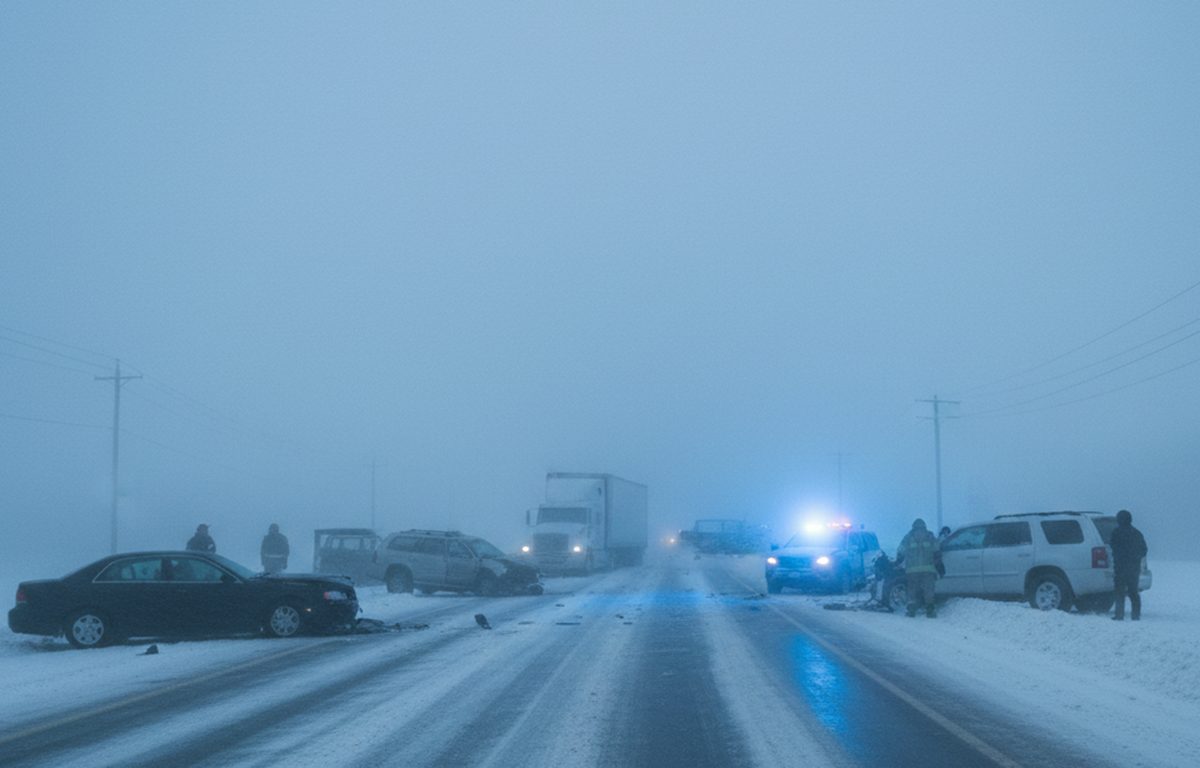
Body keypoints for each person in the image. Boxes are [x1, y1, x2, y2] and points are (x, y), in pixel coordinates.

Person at [1111, 509, 1148, 621]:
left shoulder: (1116, 532)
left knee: (1119, 592)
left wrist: (1119, 556)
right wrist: (1135, 557)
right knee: (1133, 592)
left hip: (1120, 567)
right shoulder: (1136, 533)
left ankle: (1119, 615)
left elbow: (1113, 547)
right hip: (1133, 568)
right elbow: (1144, 550)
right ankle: (1135, 616)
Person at [898, 518, 940, 618]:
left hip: (912, 571)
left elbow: (900, 551)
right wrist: (938, 564)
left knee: (912, 591)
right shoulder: (930, 536)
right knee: (929, 591)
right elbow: (937, 550)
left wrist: (897, 562)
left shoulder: (908, 538)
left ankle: (911, 611)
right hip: (928, 570)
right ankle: (930, 611)